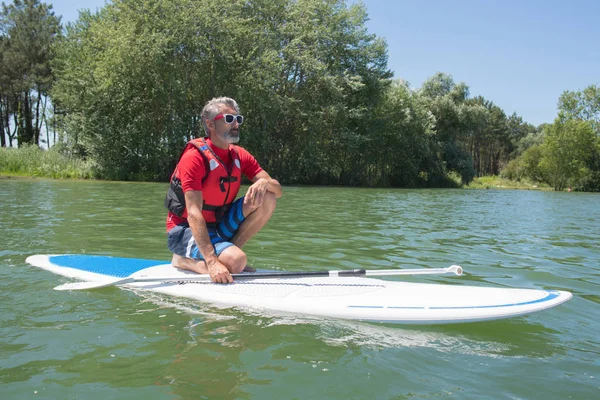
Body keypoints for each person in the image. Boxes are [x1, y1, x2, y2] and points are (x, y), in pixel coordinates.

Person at [164, 97, 282, 283]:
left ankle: (231, 255)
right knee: (237, 261)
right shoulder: (194, 157)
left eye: (238, 119)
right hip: (185, 230)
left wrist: (265, 183)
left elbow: (278, 190)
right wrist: (212, 263)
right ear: (210, 123)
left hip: (217, 226)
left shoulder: (239, 155)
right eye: (229, 119)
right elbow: (193, 213)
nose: (235, 124)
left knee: (268, 197)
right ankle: (184, 261)